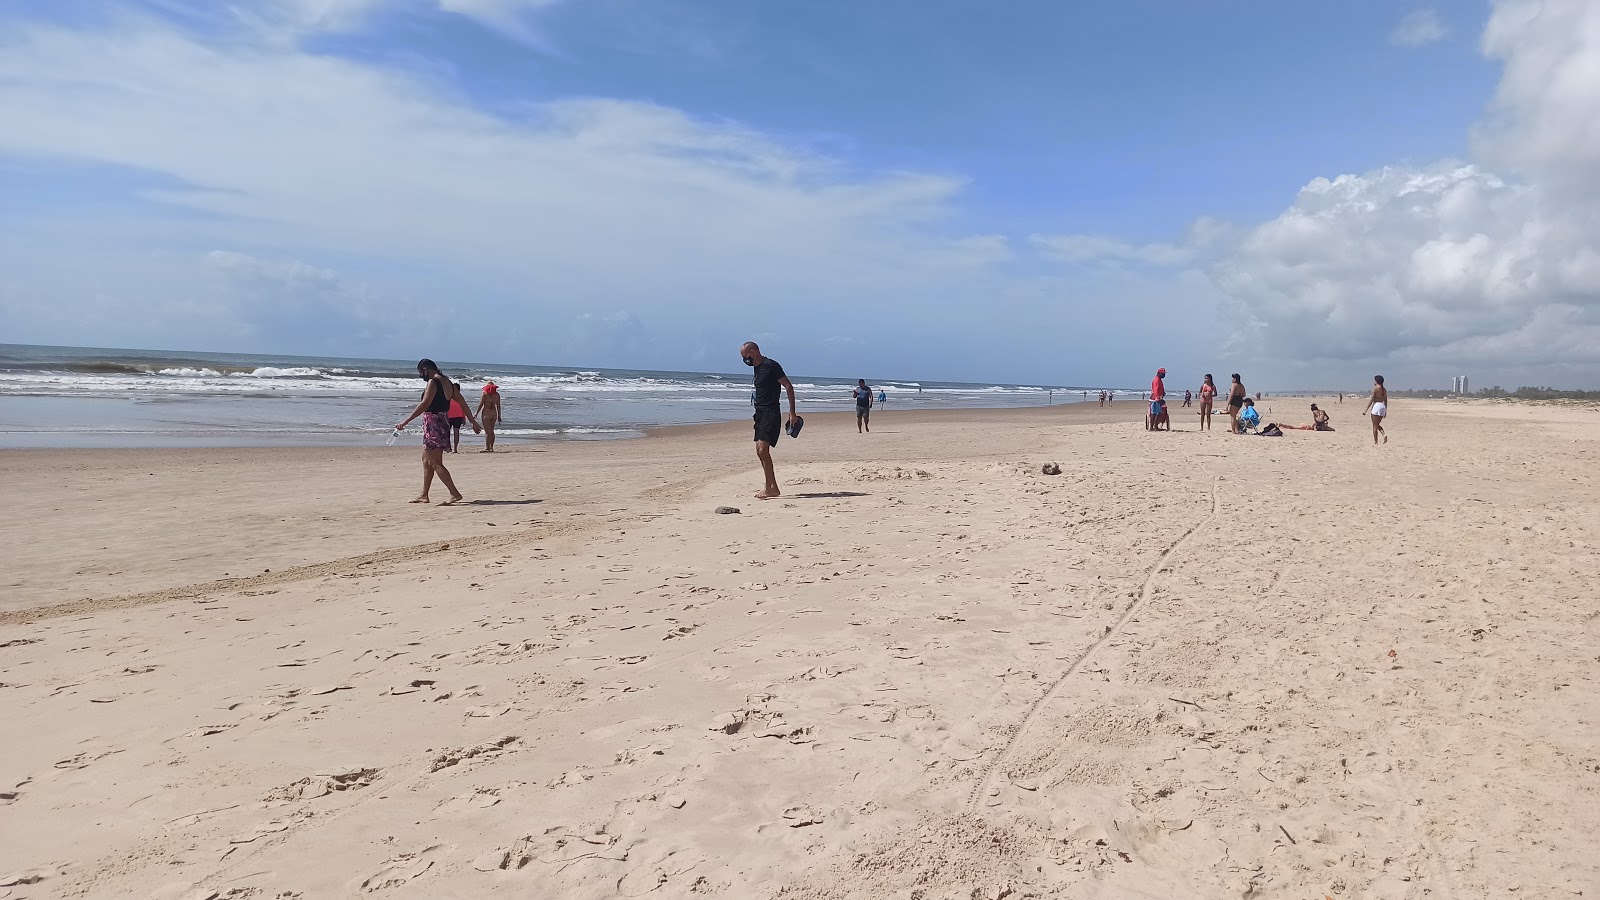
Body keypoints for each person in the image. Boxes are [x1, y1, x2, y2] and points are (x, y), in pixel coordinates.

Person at [396, 359, 479, 505]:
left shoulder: (433, 382)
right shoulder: (448, 383)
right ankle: (424, 495)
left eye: (421, 372)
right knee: (426, 460)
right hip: (442, 423)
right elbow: (462, 402)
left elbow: (424, 404)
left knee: (435, 462)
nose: (421, 375)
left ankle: (455, 494)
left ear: (426, 369)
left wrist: (405, 421)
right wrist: (472, 421)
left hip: (433, 424)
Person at [741, 342, 797, 500]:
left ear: (753, 352)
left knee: (763, 450)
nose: (745, 360)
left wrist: (792, 413)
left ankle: (770, 488)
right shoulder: (757, 368)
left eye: (745, 357)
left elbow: (788, 386)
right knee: (759, 451)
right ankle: (771, 486)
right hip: (759, 413)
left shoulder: (771, 365)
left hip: (771, 413)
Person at [476, 381, 502, 452]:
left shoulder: (484, 394)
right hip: (494, 413)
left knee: (487, 432)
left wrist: (476, 413)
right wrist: (499, 416)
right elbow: (498, 406)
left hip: (486, 413)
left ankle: (487, 448)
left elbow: (481, 404)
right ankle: (491, 447)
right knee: (492, 431)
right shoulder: (497, 395)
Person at [1364, 375, 1388, 444]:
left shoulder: (1375, 388)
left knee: (1374, 425)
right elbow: (1386, 400)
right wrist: (1385, 411)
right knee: (1377, 424)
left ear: (1376, 381)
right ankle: (1384, 434)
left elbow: (1371, 400)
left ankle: (1376, 442)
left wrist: (1366, 410)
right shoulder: (1384, 389)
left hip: (1376, 406)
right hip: (1382, 406)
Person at [447, 383, 468, 453]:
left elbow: (464, 408)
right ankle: (448, 447)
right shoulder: (448, 397)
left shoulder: (458, 398)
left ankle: (455, 448)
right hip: (449, 417)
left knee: (456, 432)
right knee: (447, 433)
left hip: (458, 417)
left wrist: (464, 418)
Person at [1146, 367, 1167, 432]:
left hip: (1157, 398)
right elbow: (1156, 390)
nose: (1164, 375)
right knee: (1154, 413)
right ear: (1159, 373)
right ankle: (1152, 428)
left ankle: (1155, 426)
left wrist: (1163, 393)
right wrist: (1158, 398)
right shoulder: (1156, 380)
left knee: (1158, 413)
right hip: (1155, 399)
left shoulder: (1159, 379)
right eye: (1162, 373)